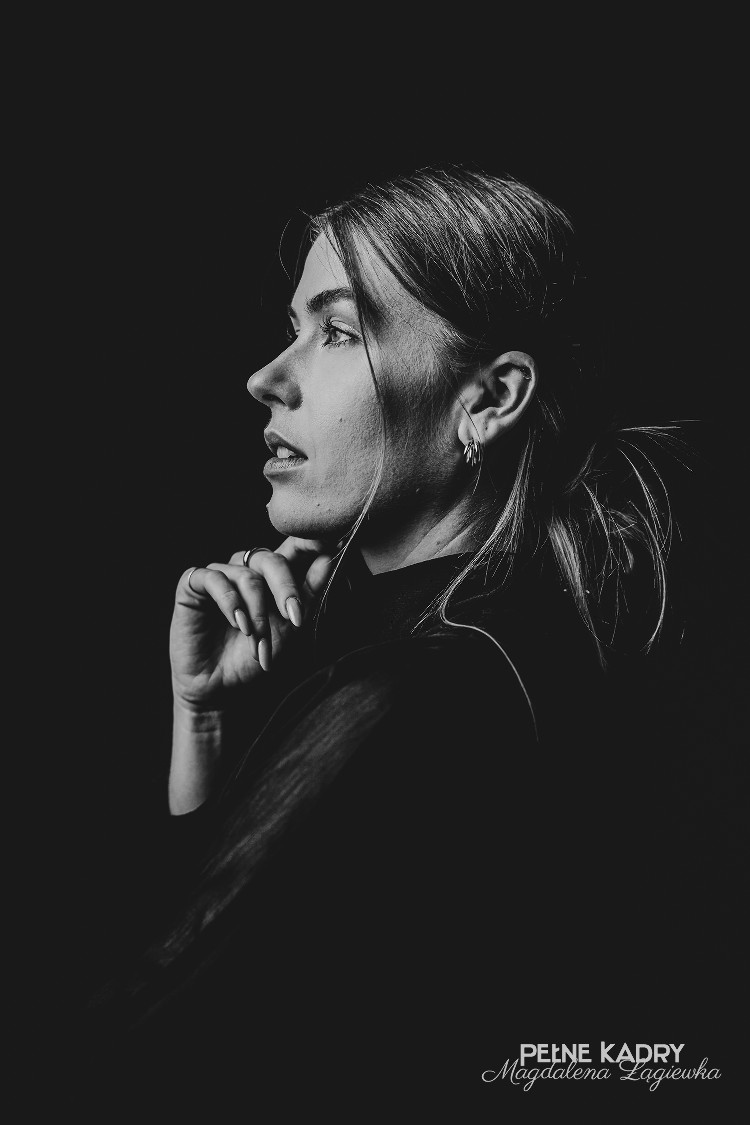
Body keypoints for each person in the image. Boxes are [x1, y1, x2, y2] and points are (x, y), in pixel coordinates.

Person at [88, 167, 707, 1098]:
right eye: (294, 327)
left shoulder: (408, 696)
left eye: (338, 332)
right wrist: (205, 718)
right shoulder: (523, 640)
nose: (267, 378)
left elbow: (125, 1054)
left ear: (491, 398)